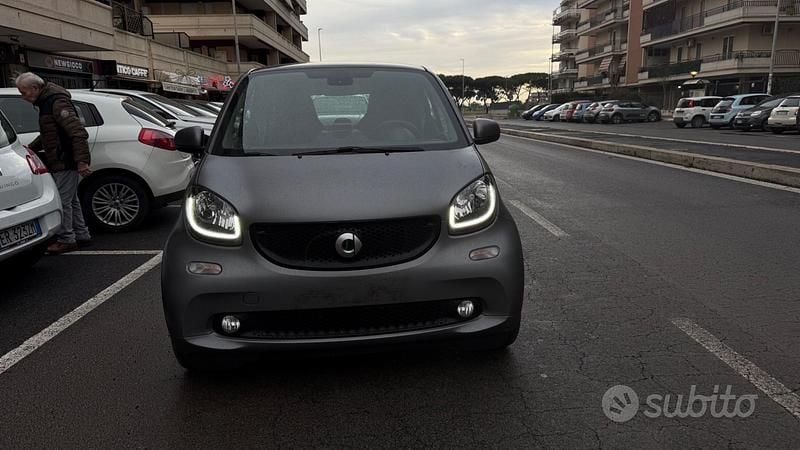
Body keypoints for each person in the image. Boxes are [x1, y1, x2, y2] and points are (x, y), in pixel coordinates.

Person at [16, 72, 92, 254]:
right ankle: (81, 234)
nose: (23, 97)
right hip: (63, 158)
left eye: (23, 92)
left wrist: (82, 161)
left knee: (63, 200)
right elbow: (49, 133)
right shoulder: (48, 102)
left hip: (64, 159)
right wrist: (32, 148)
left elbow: (77, 132)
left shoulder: (55, 102)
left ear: (35, 88)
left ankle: (67, 239)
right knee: (71, 199)